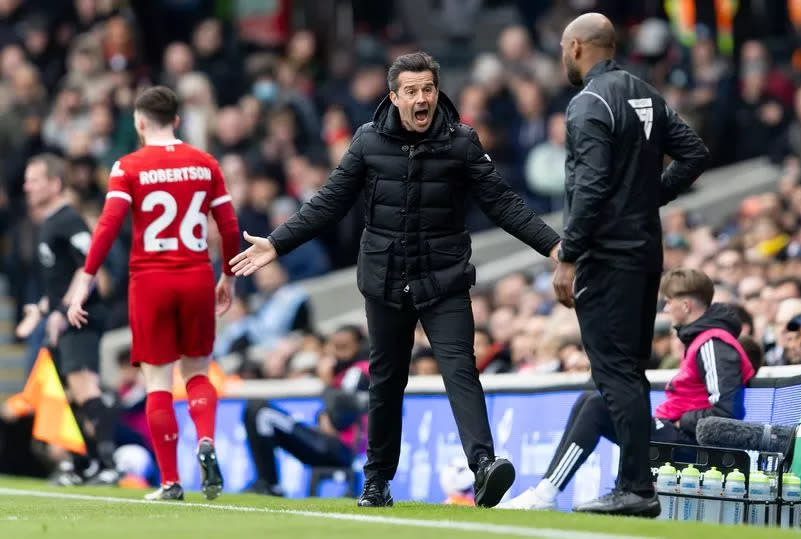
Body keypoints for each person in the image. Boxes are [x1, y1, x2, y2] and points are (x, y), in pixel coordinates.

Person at [230, 51, 561, 508]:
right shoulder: (367, 141)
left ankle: (484, 466)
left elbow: (503, 202)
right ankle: (376, 481)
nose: (421, 98)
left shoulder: (462, 141)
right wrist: (277, 243)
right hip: (385, 277)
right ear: (394, 96)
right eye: (412, 91)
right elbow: (328, 202)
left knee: (461, 368)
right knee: (385, 380)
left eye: (428, 89)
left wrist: (554, 245)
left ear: (436, 92)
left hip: (443, 277)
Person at [548, 13, 710, 516]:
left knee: (615, 374)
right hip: (644, 253)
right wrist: (645, 199)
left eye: (562, 49)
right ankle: (635, 484)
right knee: (629, 374)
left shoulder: (588, 103)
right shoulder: (646, 93)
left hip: (606, 257)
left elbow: (592, 187)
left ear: (576, 47)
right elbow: (695, 154)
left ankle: (637, 489)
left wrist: (569, 256)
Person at [66, 86, 242, 501]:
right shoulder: (205, 163)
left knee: (158, 381)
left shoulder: (128, 166)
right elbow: (230, 226)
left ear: (140, 122)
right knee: (198, 371)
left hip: (151, 280)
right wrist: (229, 276)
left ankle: (169, 482)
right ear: (177, 121)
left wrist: (85, 277)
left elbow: (107, 226)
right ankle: (206, 440)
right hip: (197, 274)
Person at [502, 269, 754, 513]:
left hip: (689, 442)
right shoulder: (702, 339)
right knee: (590, 399)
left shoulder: (713, 343)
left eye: (668, 303)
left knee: (597, 407)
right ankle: (546, 491)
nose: (665, 309)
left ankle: (546, 494)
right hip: (678, 432)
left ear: (686, 306)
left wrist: (680, 422)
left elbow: (726, 412)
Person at [16, 154, 119, 485]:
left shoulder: (68, 219)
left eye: (34, 179)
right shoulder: (49, 223)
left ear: (55, 183)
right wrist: (41, 311)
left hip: (82, 316)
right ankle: (84, 462)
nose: (26, 186)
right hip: (65, 314)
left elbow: (89, 264)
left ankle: (107, 463)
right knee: (66, 391)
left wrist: (64, 311)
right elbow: (61, 283)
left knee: (83, 386)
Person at [243, 325, 369, 496]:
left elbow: (339, 417)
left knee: (260, 410)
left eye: (344, 346)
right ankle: (266, 482)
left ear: (359, 345)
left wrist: (326, 383)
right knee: (255, 410)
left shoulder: (358, 370)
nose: (338, 352)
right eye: (335, 346)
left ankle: (270, 484)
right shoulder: (343, 372)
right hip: (331, 443)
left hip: (342, 448)